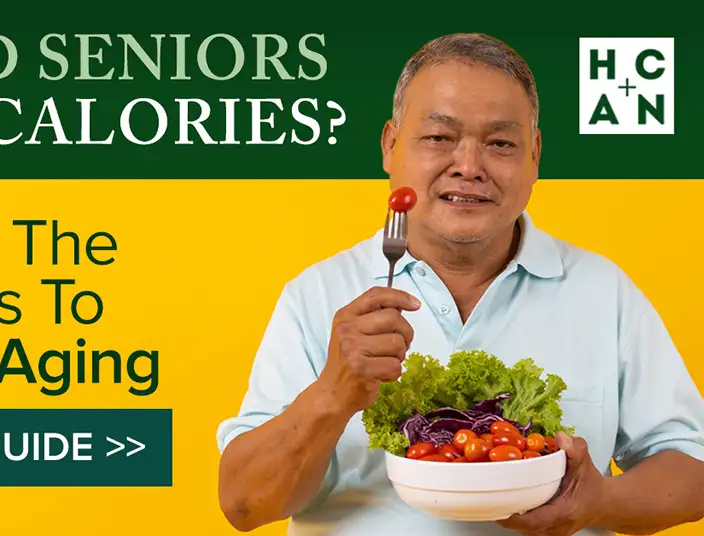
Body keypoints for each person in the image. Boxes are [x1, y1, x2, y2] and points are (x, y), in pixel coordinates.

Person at [215, 32, 704, 535]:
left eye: (500, 143)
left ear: (534, 155)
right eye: (439, 138)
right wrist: (331, 395)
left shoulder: (604, 293)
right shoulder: (316, 296)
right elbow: (244, 505)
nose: (469, 167)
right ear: (389, 146)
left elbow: (692, 468)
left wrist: (599, 501)